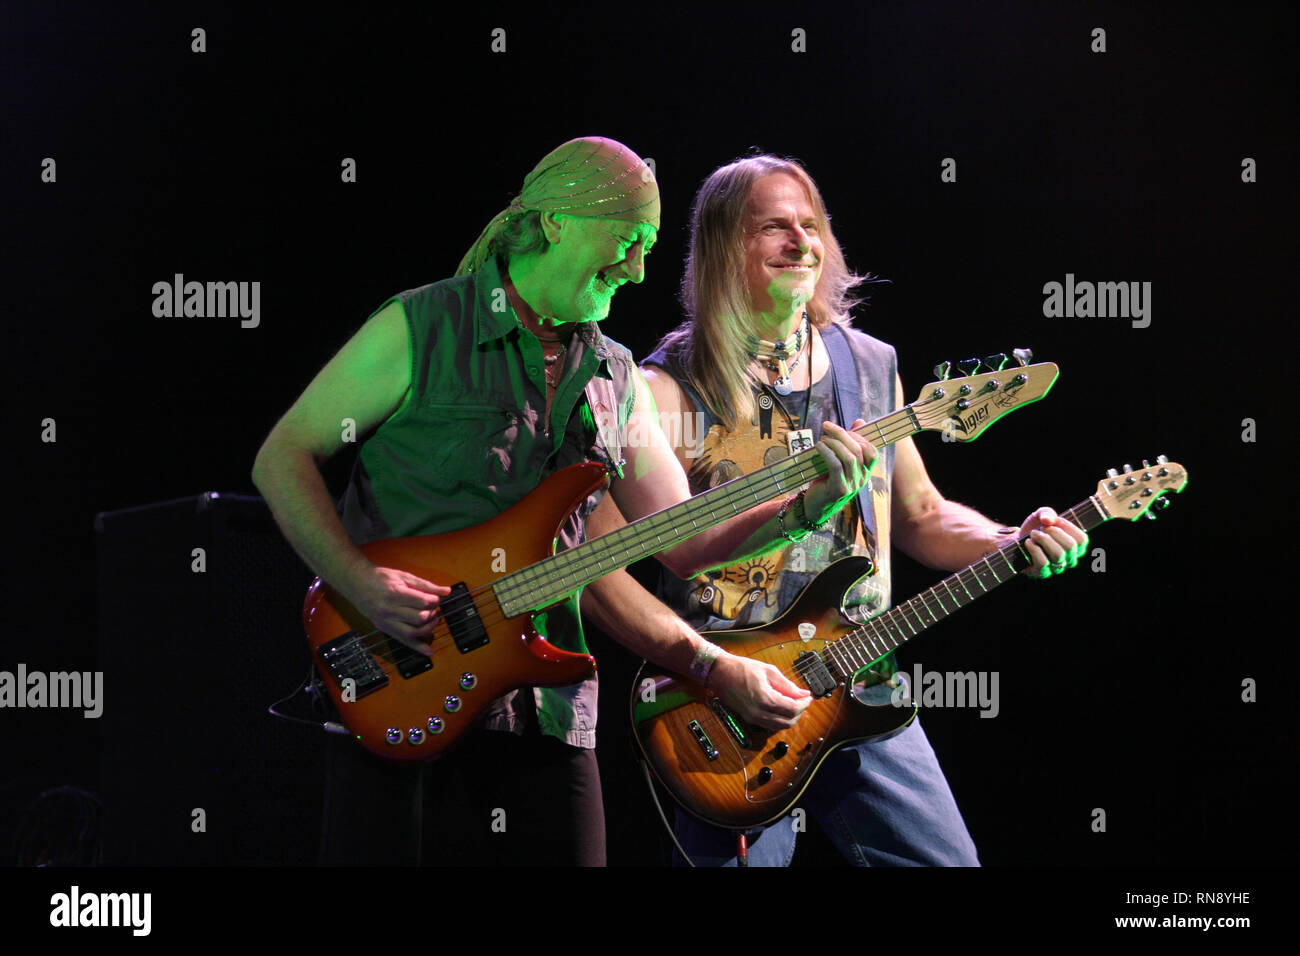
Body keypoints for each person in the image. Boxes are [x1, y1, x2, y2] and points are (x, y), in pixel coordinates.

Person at [250, 138, 875, 866]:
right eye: (628, 241)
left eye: (648, 248)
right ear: (555, 223)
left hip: (547, 708)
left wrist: (809, 504)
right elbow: (282, 456)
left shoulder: (613, 374)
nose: (639, 270)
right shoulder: (424, 326)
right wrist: (357, 579)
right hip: (400, 673)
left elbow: (684, 538)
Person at [592, 154, 1087, 866]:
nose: (801, 242)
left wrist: (1011, 539)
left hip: (863, 678)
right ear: (726, 245)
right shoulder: (661, 387)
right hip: (727, 710)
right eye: (773, 226)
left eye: (811, 224)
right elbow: (599, 563)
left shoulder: (868, 365)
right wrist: (705, 666)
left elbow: (921, 516)